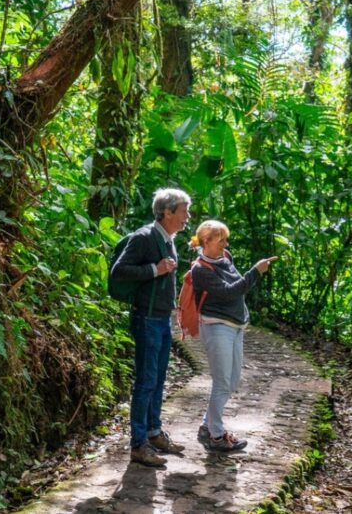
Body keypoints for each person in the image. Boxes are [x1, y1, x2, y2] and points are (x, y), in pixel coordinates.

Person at [111, 188, 191, 467]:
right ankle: (138, 443)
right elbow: (119, 271)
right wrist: (155, 270)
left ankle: (154, 433)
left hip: (160, 319)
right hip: (145, 319)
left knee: (157, 379)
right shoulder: (145, 237)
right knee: (146, 381)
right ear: (167, 212)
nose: (187, 217)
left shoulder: (167, 239)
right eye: (184, 211)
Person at [189, 220, 277, 452]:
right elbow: (230, 292)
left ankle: (207, 426)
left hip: (236, 326)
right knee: (222, 382)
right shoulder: (200, 270)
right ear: (206, 242)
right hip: (217, 327)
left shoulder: (225, 257)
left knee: (233, 381)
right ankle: (216, 436)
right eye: (221, 241)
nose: (226, 244)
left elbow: (235, 284)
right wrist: (256, 272)